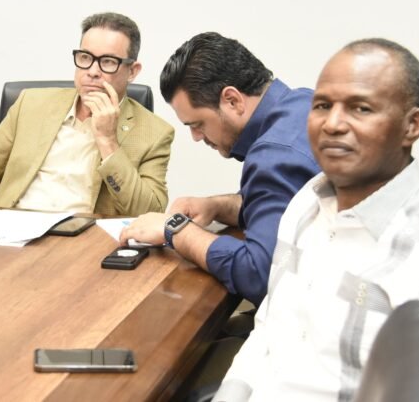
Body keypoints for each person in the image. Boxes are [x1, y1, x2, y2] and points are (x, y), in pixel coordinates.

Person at [214, 39, 419, 402]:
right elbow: (268, 329)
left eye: (361, 108)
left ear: (412, 126)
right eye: (322, 105)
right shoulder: (305, 203)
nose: (333, 123)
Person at [120, 32, 317, 306]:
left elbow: (259, 274)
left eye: (197, 124)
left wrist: (175, 229)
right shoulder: (303, 103)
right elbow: (287, 209)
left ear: (232, 100)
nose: (196, 137)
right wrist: (218, 206)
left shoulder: (273, 155)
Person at [0, 12, 174, 215]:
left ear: (132, 71)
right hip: (12, 230)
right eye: (85, 58)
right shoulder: (30, 104)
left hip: (84, 240)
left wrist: (108, 141)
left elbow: (148, 212)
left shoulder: (155, 133)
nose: (92, 71)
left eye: (108, 62)